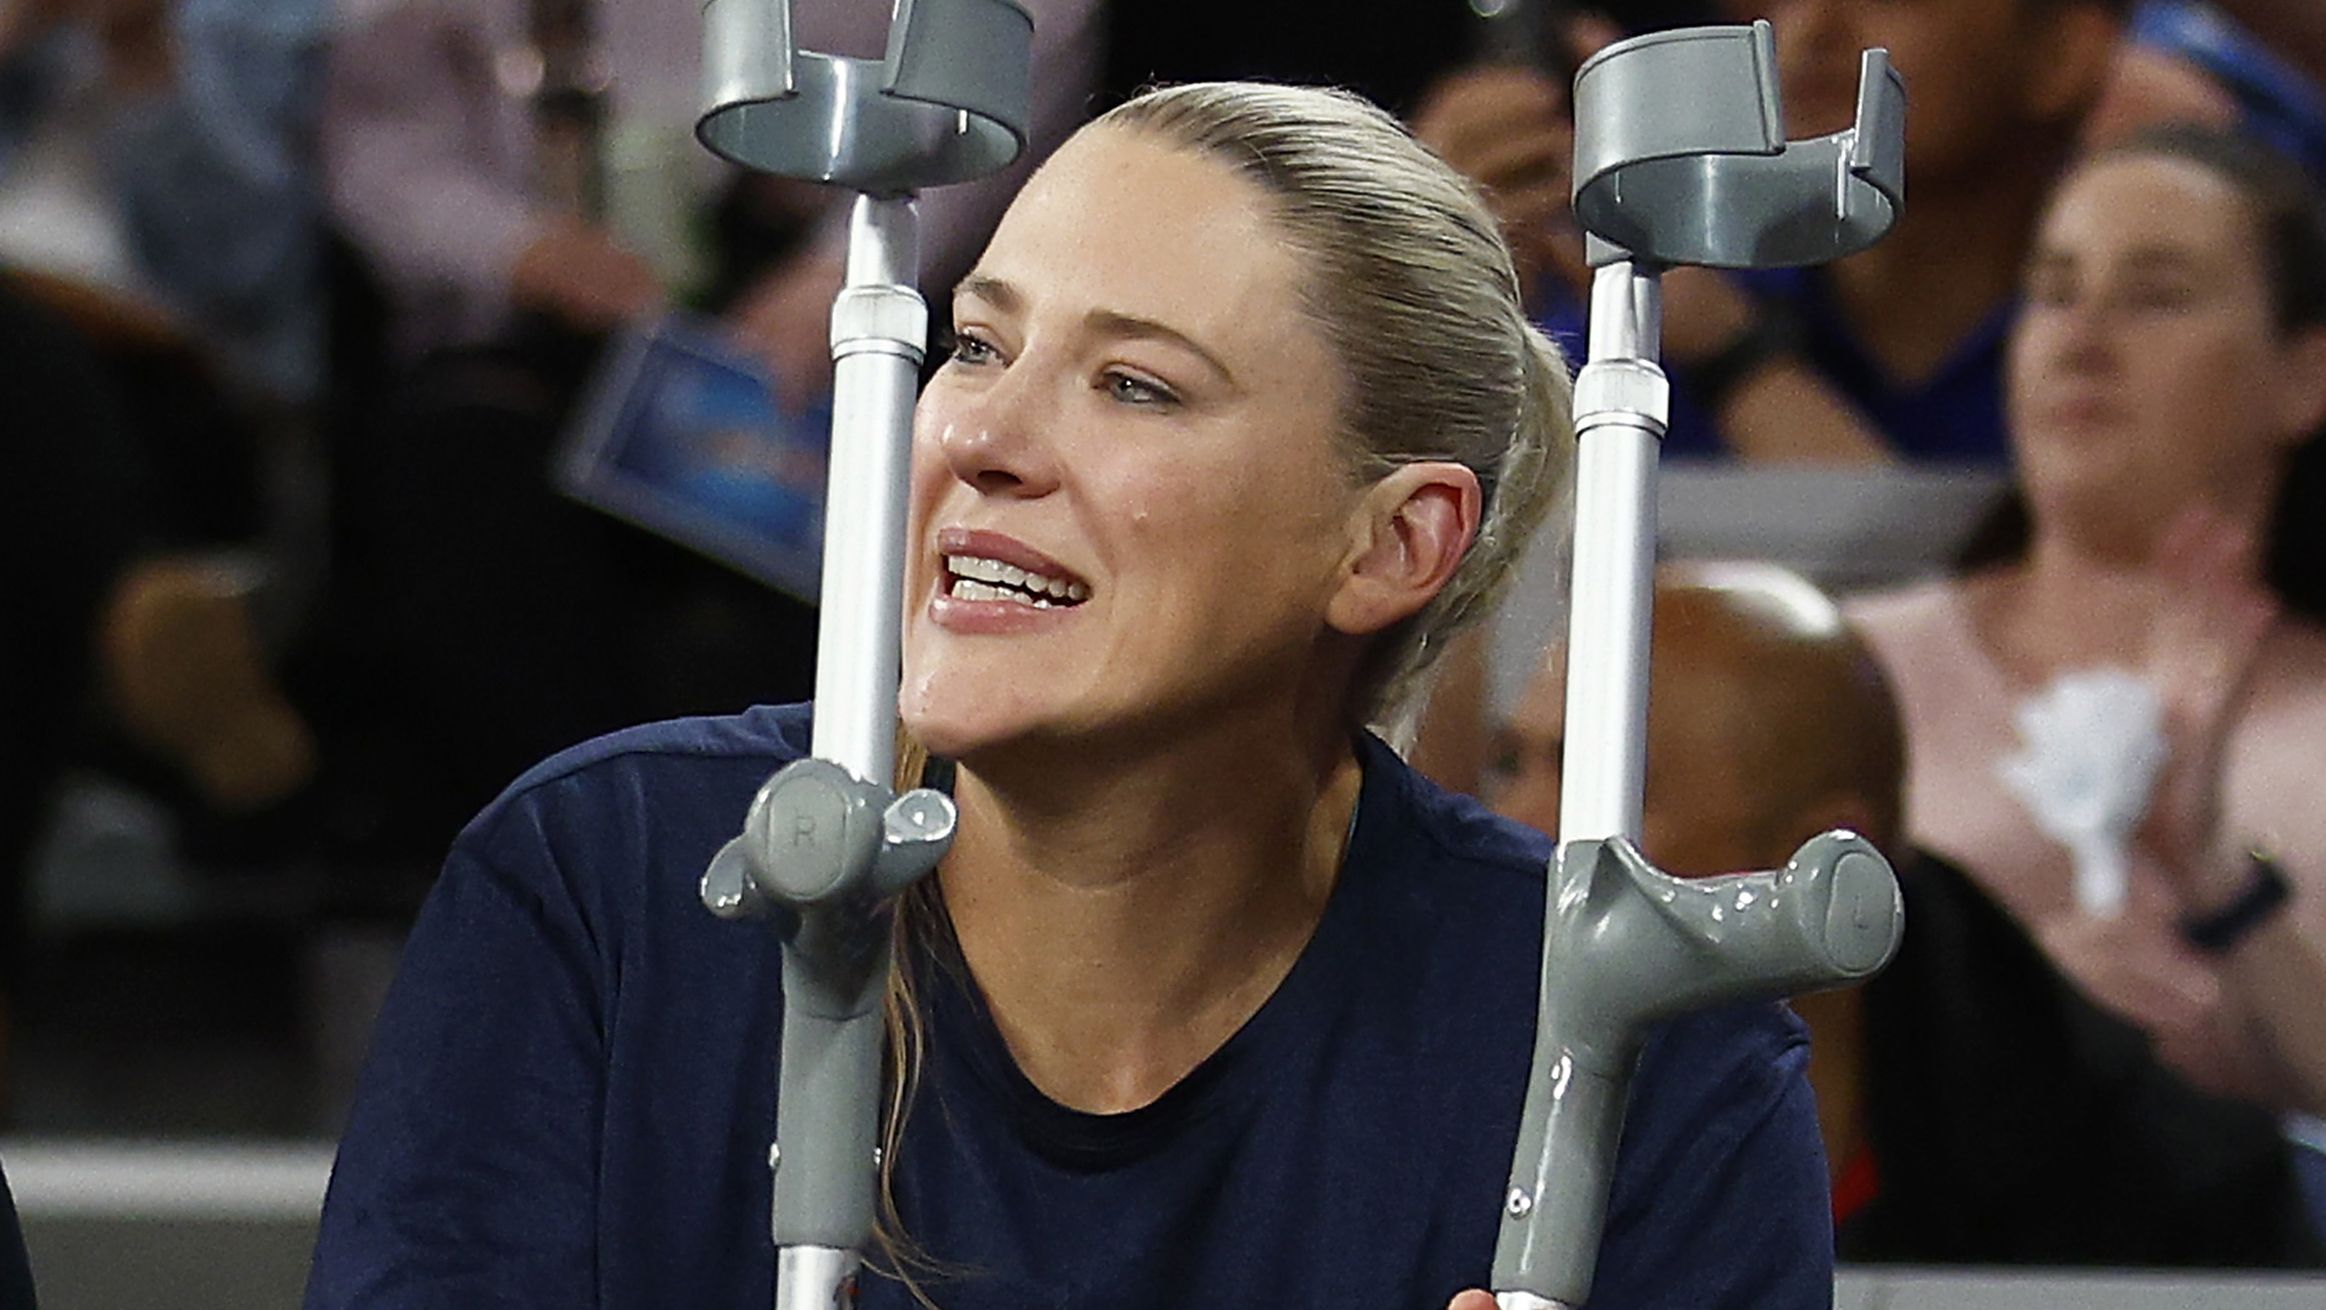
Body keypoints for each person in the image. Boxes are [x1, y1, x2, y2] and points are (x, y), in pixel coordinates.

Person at [305, 82, 1833, 1308]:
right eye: (978, 343)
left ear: (1393, 543)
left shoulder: (1633, 1048)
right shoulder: (609, 890)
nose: (982, 437)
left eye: (1135, 385)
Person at [1470, 563, 2325, 1265]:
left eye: (1608, 787)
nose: (1525, 828)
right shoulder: (1415, 1071)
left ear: (1819, 860)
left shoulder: (2137, 1177)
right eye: (1511, 762)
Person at [1850, 125, 2326, 1118]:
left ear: (2303, 376)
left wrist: (2212, 884)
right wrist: (2032, 1012)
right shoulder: (1848, 674)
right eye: (2055, 290)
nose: (2083, 338)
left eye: (2156, 295)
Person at [1416, 0, 2129, 463]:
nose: (1809, 31)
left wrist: (1736, 355)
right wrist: (1434, 274)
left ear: (2062, 52)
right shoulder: (1630, 306)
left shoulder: (2129, 338)